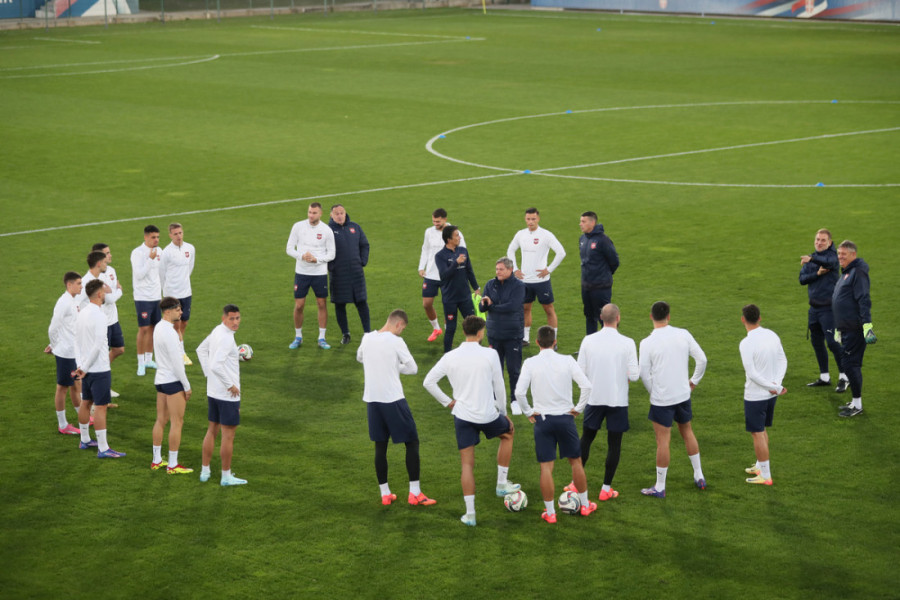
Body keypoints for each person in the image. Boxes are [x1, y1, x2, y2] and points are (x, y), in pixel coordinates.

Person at [423, 316, 520, 527]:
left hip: (463, 416)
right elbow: (499, 386)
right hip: (488, 415)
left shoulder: (450, 357)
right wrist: (503, 412)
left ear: (464, 332)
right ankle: (501, 484)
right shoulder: (490, 354)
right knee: (508, 434)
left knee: (467, 465)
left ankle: (470, 515)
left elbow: (428, 382)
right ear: (480, 332)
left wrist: (448, 402)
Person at [514, 326, 595, 524]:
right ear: (555, 342)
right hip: (566, 419)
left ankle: (550, 513)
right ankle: (585, 505)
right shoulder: (567, 360)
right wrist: (578, 408)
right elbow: (586, 386)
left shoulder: (530, 363)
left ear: (537, 342)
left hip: (543, 421)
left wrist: (528, 412)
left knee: (546, 468)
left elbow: (519, 393)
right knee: (576, 462)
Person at [357, 310, 436, 506]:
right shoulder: (396, 341)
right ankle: (415, 493)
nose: (401, 332)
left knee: (380, 446)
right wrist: (394, 366)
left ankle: (385, 494)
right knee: (412, 442)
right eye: (403, 329)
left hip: (372, 400)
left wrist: (384, 365)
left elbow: (360, 358)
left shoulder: (367, 338)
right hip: (393, 399)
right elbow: (413, 368)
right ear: (399, 324)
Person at [571, 303, 639, 502]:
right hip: (618, 400)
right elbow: (634, 376)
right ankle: (606, 489)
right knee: (614, 444)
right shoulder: (628, 343)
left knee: (587, 439)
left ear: (601, 318)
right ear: (618, 318)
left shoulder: (588, 340)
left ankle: (575, 483)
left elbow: (579, 371)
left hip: (595, 398)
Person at [638, 301, 707, 497]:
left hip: (662, 399)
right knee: (687, 432)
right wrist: (693, 381)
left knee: (663, 441)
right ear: (668, 316)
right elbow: (702, 359)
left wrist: (653, 392)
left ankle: (660, 486)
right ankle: (699, 476)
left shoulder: (646, 343)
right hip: (683, 395)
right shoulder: (683, 334)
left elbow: (644, 373)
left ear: (651, 317)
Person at [74, 279, 125, 458]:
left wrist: (80, 365)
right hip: (99, 368)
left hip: (85, 367)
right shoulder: (101, 316)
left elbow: (76, 341)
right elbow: (98, 345)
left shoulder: (81, 313)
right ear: (99, 294)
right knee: (101, 406)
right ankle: (103, 449)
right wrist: (86, 367)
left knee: (86, 402)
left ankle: (85, 440)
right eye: (104, 291)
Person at [197, 304, 247, 486]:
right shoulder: (226, 338)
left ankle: (205, 471)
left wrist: (208, 375)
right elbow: (216, 365)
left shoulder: (217, 330)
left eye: (237, 318)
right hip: (227, 396)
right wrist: (230, 385)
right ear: (223, 318)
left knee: (212, 430)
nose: (235, 322)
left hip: (213, 391)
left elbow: (200, 350)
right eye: (231, 319)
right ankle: (226, 477)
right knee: (228, 436)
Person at [739, 304, 787, 486]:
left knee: (757, 433)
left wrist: (773, 386)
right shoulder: (772, 335)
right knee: (762, 429)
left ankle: (765, 476)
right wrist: (776, 385)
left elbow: (751, 373)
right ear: (759, 318)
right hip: (770, 394)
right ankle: (760, 465)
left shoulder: (746, 343)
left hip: (756, 395)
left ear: (743, 319)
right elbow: (783, 359)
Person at [506, 207, 566, 345]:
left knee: (548, 309)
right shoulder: (520, 234)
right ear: (525, 219)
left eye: (533, 219)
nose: (531, 222)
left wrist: (548, 269)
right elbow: (511, 250)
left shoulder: (546, 235)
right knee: (525, 308)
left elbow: (561, 252)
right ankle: (525, 338)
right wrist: (515, 269)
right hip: (524, 281)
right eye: (528, 219)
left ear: (538, 219)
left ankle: (553, 341)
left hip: (541, 281)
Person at [800, 228, 848, 392]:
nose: (819, 242)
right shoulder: (812, 258)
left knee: (833, 343)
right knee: (817, 342)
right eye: (817, 239)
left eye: (823, 240)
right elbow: (802, 279)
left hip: (829, 310)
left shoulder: (832, 257)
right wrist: (817, 273)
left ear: (830, 243)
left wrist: (812, 260)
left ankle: (845, 377)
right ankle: (824, 377)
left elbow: (828, 263)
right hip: (814, 309)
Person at [832, 240, 874, 418]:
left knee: (851, 365)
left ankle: (857, 405)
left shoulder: (858, 272)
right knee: (849, 364)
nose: (840, 257)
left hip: (855, 329)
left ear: (853, 254)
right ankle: (855, 402)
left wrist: (867, 326)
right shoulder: (847, 272)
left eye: (844, 254)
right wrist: (838, 327)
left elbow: (864, 299)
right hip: (846, 328)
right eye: (839, 253)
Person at [151, 297, 193, 474]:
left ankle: (156, 460)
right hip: (173, 381)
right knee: (177, 423)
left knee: (161, 420)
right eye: (178, 309)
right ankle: (173, 465)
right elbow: (177, 363)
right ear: (168, 311)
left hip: (160, 380)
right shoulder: (170, 332)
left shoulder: (159, 327)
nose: (181, 312)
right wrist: (187, 386)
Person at [478, 258, 525, 414]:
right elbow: (482, 307)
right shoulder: (490, 284)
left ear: (510, 270)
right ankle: (496, 399)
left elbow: (513, 306)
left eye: (501, 269)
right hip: (494, 334)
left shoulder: (519, 286)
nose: (497, 272)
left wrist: (492, 306)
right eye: (497, 269)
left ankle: (515, 400)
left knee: (514, 369)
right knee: (495, 370)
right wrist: (485, 304)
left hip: (513, 334)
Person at [286, 203, 336, 350]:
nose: (311, 215)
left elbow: (332, 254)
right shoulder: (298, 227)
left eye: (314, 213)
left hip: (319, 273)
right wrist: (301, 256)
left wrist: (317, 260)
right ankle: (298, 337)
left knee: (321, 303)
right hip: (302, 272)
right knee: (299, 305)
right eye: (309, 212)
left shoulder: (327, 230)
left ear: (320, 214)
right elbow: (289, 248)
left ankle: (322, 338)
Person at [418, 208, 466, 343]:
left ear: (445, 219)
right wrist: (421, 267)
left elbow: (463, 251)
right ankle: (436, 328)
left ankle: (447, 333)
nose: (435, 224)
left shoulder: (455, 233)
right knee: (426, 304)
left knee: (448, 306)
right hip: (431, 274)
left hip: (448, 274)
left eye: (438, 221)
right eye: (433, 221)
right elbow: (425, 249)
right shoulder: (429, 232)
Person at [45, 271, 83, 435]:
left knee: (76, 383)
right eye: (79, 283)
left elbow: (70, 326)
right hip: (66, 352)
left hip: (73, 351)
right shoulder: (63, 303)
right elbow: (53, 327)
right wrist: (55, 346)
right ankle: (63, 425)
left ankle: (82, 416)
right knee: (62, 387)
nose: (81, 286)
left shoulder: (73, 301)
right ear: (69, 284)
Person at [328, 204, 371, 345]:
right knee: (340, 304)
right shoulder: (328, 231)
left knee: (361, 302)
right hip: (338, 274)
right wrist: (331, 266)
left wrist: (362, 261)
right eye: (337, 213)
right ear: (331, 215)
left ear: (345, 213)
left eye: (342, 213)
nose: (340, 216)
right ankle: (345, 334)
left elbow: (364, 245)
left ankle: (367, 333)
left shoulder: (355, 227)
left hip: (356, 273)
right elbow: (321, 250)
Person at [435, 225, 480, 353]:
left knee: (473, 326)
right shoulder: (440, 256)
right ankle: (447, 355)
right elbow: (444, 275)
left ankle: (476, 352)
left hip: (465, 296)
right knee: (451, 328)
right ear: (449, 239)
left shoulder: (463, 251)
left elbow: (469, 270)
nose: (459, 237)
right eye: (456, 235)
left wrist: (476, 287)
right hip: (450, 298)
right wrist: (456, 263)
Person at [159, 223, 196, 366]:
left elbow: (190, 267)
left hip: (186, 291)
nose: (179, 236)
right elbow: (161, 273)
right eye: (175, 234)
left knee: (184, 322)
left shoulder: (190, 248)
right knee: (176, 324)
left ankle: (176, 347)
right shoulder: (166, 252)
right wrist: (166, 291)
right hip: (172, 293)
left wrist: (183, 281)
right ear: (170, 235)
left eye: (180, 233)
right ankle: (181, 353)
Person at [92, 243, 125, 398]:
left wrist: (114, 292)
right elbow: (109, 298)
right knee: (101, 357)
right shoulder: (96, 278)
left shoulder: (112, 270)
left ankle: (102, 381)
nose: (110, 255)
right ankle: (102, 387)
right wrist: (119, 290)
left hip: (113, 319)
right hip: (102, 322)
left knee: (119, 349)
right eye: (107, 253)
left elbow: (111, 295)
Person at [579, 211, 619, 335]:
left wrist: (603, 275)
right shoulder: (582, 239)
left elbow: (614, 261)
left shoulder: (603, 240)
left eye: (583, 221)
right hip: (586, 287)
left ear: (592, 223)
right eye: (580, 221)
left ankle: (608, 343)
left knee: (605, 318)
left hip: (601, 287)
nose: (580, 224)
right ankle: (590, 343)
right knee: (589, 316)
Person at [131, 225, 162, 376]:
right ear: (145, 237)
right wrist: (150, 260)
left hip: (156, 296)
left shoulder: (160, 251)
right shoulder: (137, 253)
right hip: (143, 297)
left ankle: (149, 359)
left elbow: (161, 272)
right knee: (143, 329)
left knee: (153, 328)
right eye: (153, 237)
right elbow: (139, 275)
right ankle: (140, 363)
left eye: (158, 237)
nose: (156, 240)